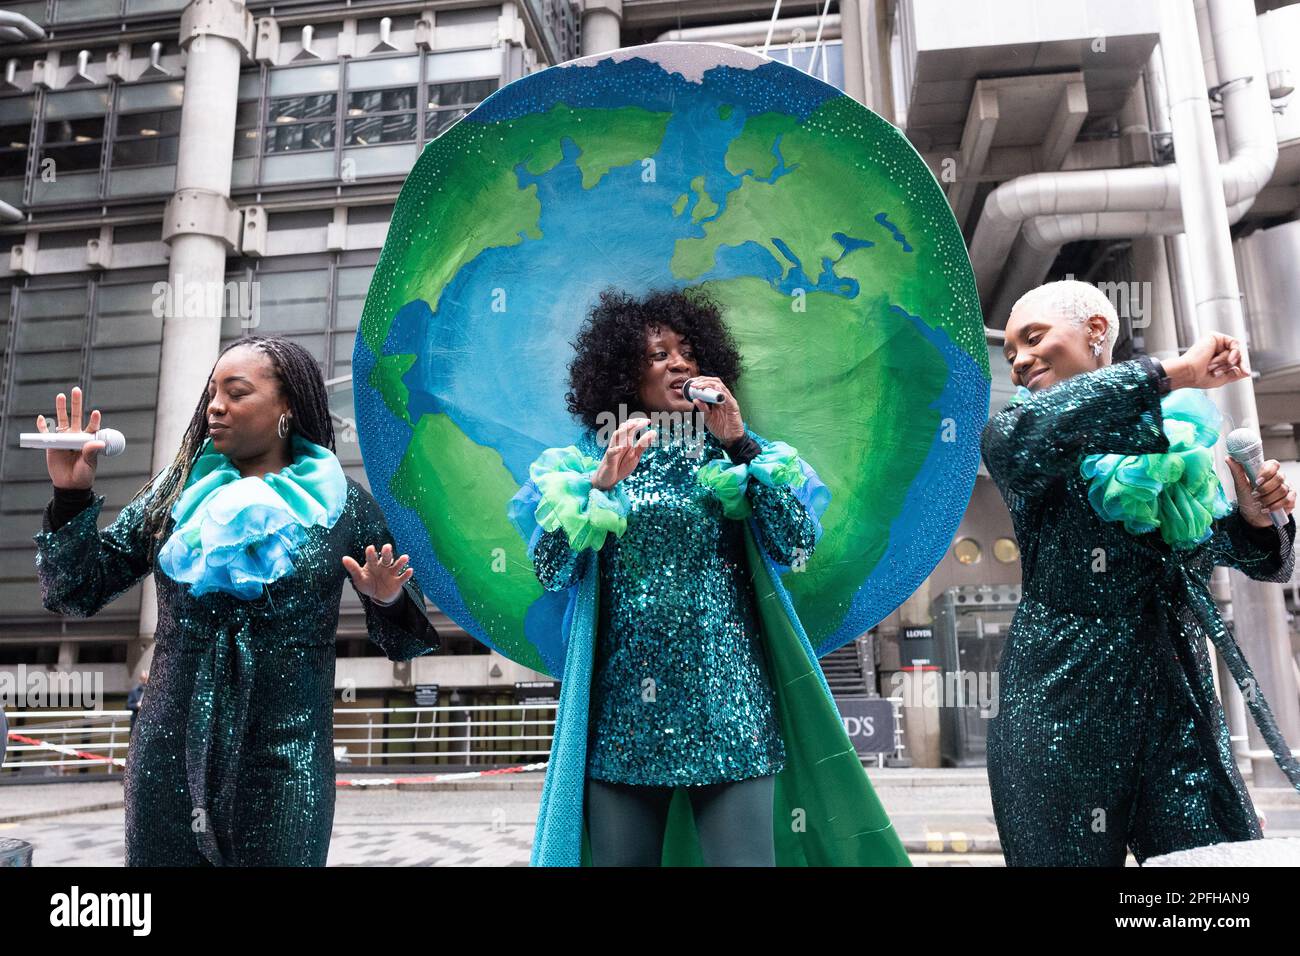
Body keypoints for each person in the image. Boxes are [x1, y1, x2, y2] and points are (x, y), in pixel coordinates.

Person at [509, 287, 908, 866]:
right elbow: (551, 572)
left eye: (688, 352)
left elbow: (796, 543)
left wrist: (739, 442)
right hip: (624, 716)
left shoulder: (738, 453)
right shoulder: (583, 462)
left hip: (731, 706)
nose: (680, 363)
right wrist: (600, 487)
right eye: (658, 354)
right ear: (624, 374)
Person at [32, 335, 440, 866]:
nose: (215, 407)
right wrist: (70, 496)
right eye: (211, 394)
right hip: (168, 757)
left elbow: (405, 642)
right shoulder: (174, 495)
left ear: (287, 407)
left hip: (286, 761)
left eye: (237, 392)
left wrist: (386, 599)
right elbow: (76, 590)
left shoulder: (344, 505)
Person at [982, 279, 1300, 866]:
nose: (1021, 359)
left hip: (1176, 702)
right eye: (1011, 355)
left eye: (1033, 338)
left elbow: (1267, 564)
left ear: (1096, 332)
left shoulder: (1180, 441)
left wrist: (1255, 521)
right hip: (1061, 705)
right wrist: (1171, 371)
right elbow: (1048, 426)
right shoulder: (1017, 435)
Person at [126, 670, 148, 735]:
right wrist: (137, 705)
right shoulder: (134, 691)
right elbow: (128, 705)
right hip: (136, 723)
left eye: (146, 679)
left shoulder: (153, 691)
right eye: (143, 679)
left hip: (148, 723)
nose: (145, 681)